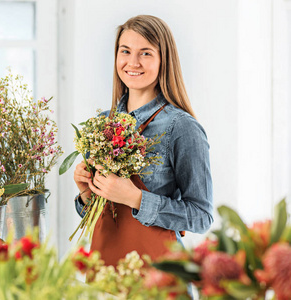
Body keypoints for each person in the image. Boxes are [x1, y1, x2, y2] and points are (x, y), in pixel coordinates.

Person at [73, 15, 214, 267]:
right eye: (125, 51)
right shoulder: (103, 123)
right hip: (106, 273)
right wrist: (87, 193)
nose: (132, 62)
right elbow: (102, 215)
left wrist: (136, 199)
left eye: (146, 53)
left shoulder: (181, 128)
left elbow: (201, 217)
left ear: (163, 60)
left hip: (159, 276)